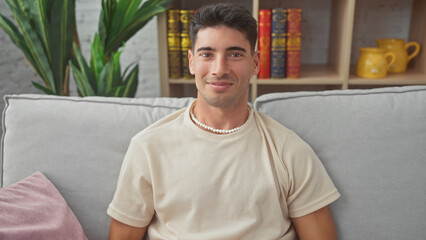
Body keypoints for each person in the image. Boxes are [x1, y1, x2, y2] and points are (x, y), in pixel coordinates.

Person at [107, 3, 340, 240]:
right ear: (191, 62)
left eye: (235, 54)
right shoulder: (148, 147)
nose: (219, 69)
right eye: (207, 54)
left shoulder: (288, 149)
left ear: (255, 62)